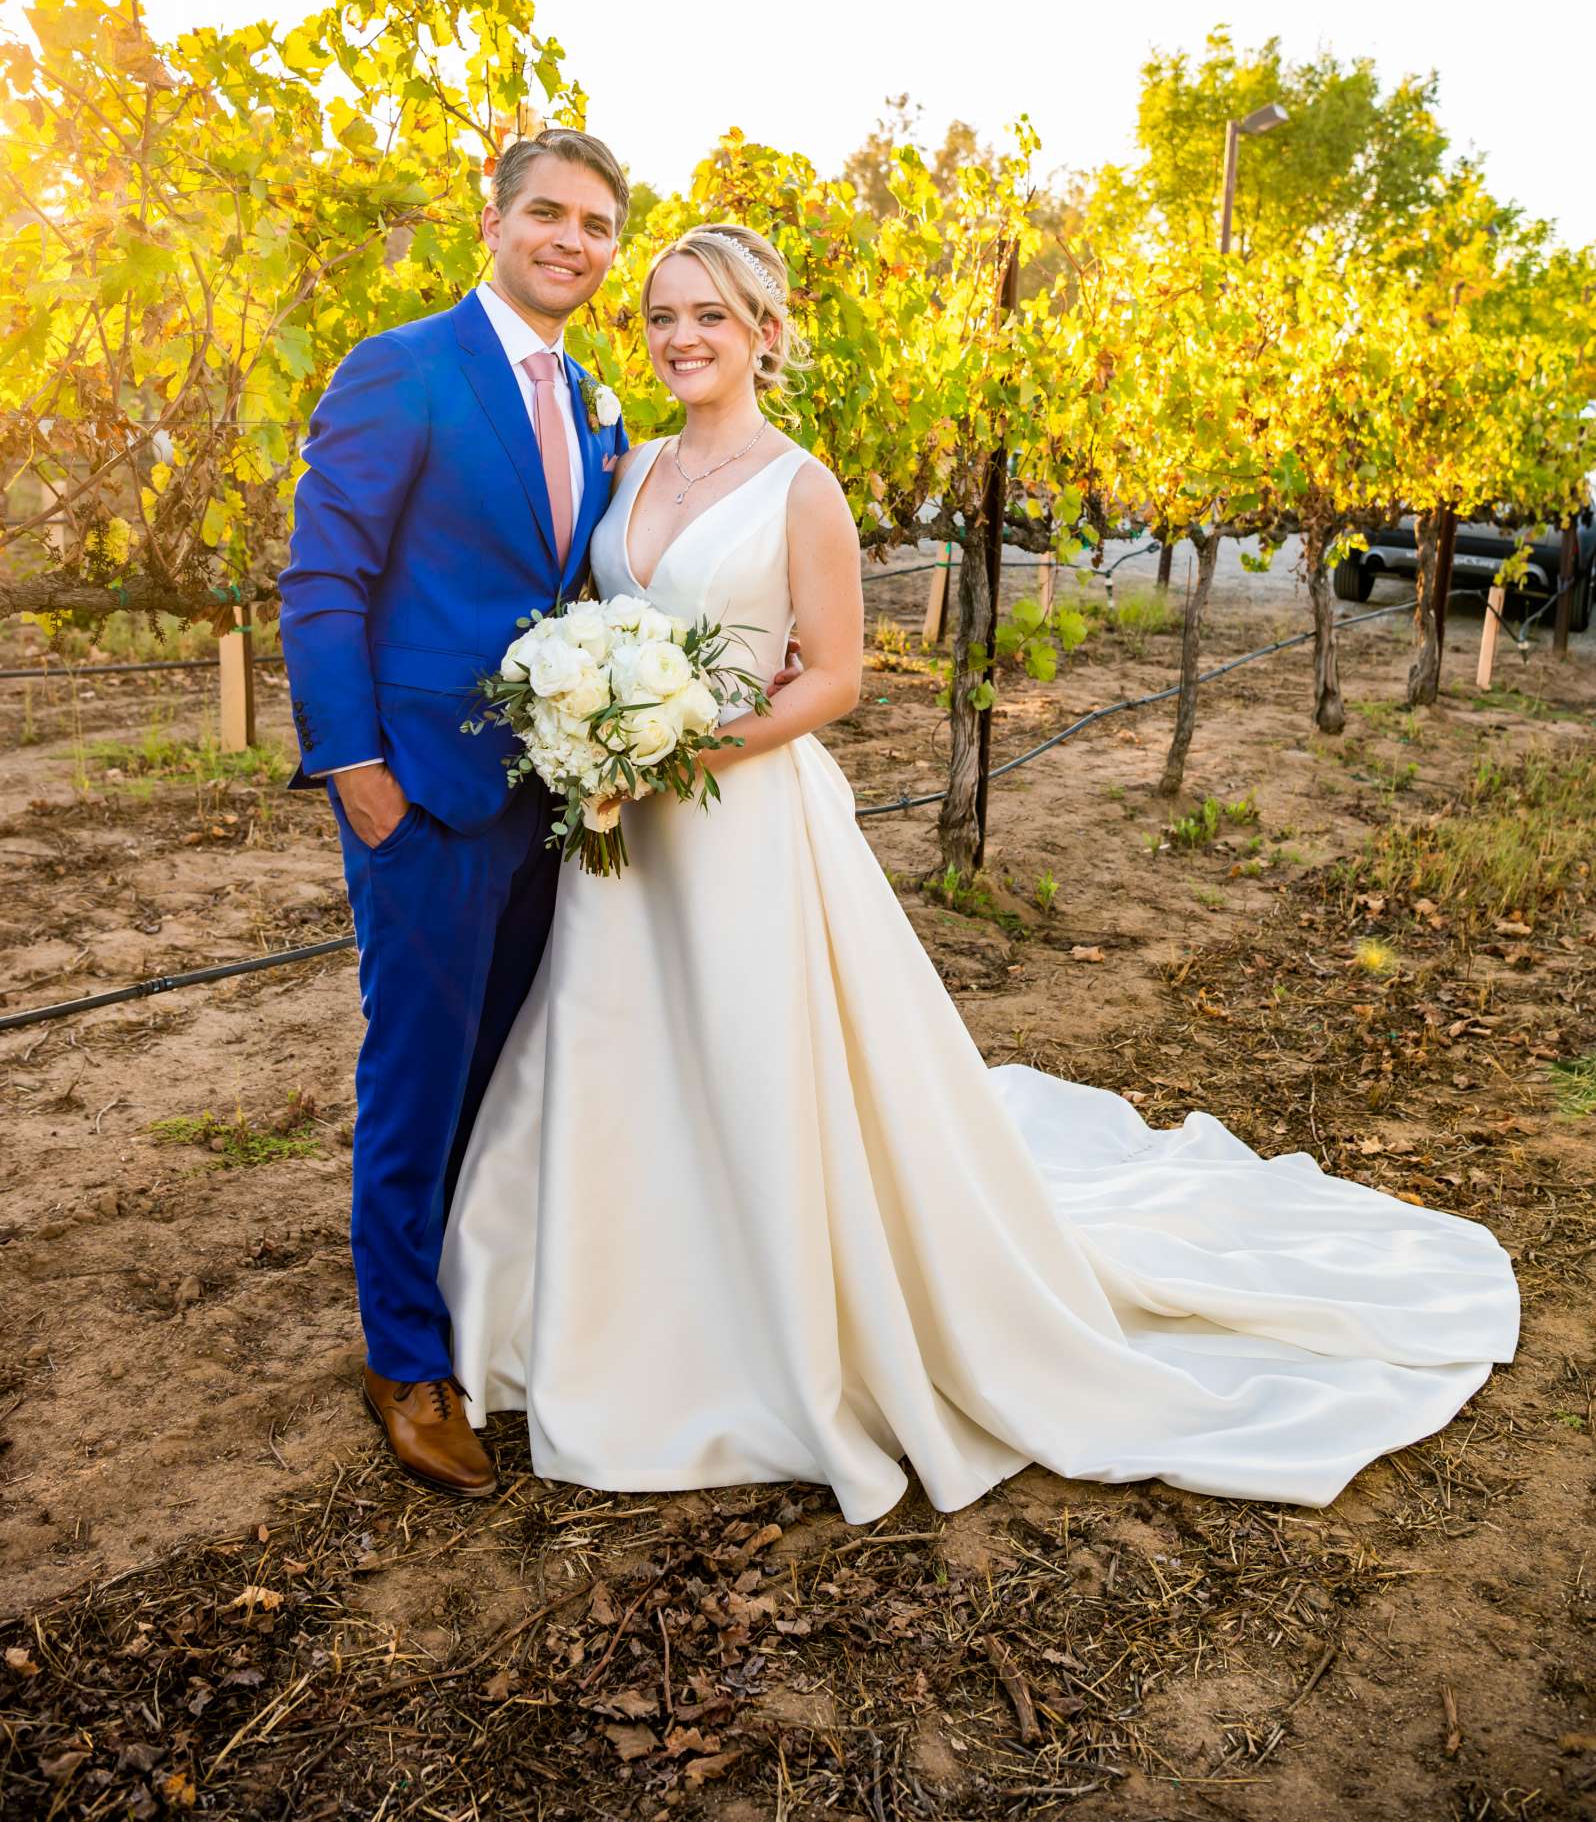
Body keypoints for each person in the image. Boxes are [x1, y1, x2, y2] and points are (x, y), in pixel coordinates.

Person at [440, 227, 1521, 1524]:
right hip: (629, 828)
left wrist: (684, 739)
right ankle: (585, 1317)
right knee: (617, 1053)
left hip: (736, 823)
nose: (681, 338)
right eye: (664, 316)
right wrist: (599, 717)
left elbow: (834, 676)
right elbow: (604, 615)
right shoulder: (635, 468)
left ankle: (747, 1340)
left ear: (764, 331)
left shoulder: (804, 488)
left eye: (710, 317)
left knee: (749, 1059)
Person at [280, 129, 630, 1498]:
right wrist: (357, 774)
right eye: (547, 212)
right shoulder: (403, 367)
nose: (570, 240)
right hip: (417, 795)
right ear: (493, 221)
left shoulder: (595, 400)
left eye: (597, 225)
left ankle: (467, 1310)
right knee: (416, 1080)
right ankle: (405, 1366)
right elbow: (322, 581)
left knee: (501, 1069)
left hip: (544, 797)